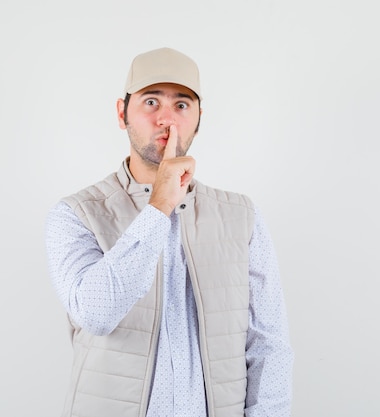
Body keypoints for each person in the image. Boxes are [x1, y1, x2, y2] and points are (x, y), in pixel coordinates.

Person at [45, 47, 293, 417]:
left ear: (198, 118)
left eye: (181, 105)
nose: (167, 119)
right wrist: (159, 205)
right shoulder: (77, 214)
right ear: (121, 113)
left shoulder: (242, 216)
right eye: (150, 102)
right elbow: (96, 315)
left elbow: (268, 345)